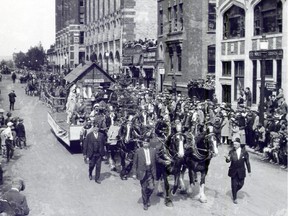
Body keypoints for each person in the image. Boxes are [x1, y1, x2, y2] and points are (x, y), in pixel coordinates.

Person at [132, 138, 157, 211]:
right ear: (142, 143)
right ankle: (145, 203)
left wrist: (165, 161)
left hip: (150, 172)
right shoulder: (138, 151)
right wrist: (134, 173)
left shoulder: (153, 151)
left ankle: (147, 197)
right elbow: (134, 163)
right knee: (144, 188)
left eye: (146, 143)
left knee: (152, 188)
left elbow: (157, 159)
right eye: (144, 143)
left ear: (149, 143)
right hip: (142, 172)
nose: (145, 144)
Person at [225, 138, 251, 204]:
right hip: (233, 170)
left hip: (241, 171)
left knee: (241, 184)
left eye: (236, 144)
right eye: (234, 144)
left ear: (239, 144)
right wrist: (227, 159)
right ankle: (234, 198)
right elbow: (228, 160)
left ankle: (235, 191)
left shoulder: (244, 152)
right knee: (233, 184)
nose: (234, 145)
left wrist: (249, 171)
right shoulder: (231, 151)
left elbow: (247, 162)